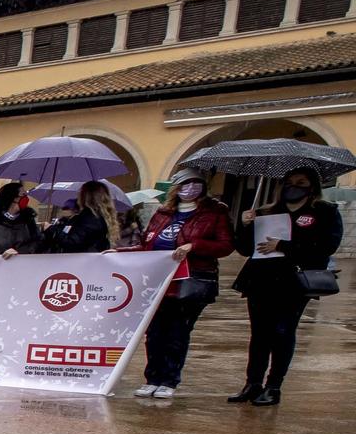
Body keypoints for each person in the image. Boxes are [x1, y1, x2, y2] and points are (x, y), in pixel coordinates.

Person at [230, 165, 344, 406]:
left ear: (312, 186)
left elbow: (326, 246)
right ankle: (252, 383)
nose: (294, 187)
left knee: (282, 333)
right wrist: (245, 224)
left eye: (301, 183)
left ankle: (274, 386)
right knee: (259, 335)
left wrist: (283, 246)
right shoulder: (267, 212)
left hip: (293, 282)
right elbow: (244, 248)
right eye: (290, 182)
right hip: (261, 281)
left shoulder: (324, 212)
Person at [126, 169, 232, 400]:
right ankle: (152, 378)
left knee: (177, 332)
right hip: (160, 282)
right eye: (186, 183)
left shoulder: (214, 213)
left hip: (190, 280)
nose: (191, 188)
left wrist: (194, 246)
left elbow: (225, 245)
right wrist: (120, 252)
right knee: (154, 333)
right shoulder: (163, 213)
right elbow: (147, 245)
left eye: (196, 184)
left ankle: (169, 379)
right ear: (175, 187)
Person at [38, 181, 119, 254]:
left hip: (82, 262)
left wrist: (51, 229)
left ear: (86, 196)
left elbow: (72, 242)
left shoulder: (90, 218)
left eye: (80, 193)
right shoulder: (92, 217)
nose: (78, 195)